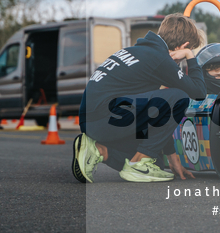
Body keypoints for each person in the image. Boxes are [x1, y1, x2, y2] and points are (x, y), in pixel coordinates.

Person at [74, 13, 207, 183]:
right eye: (188, 48)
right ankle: (138, 164)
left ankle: (99, 150)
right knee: (179, 97)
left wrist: (172, 158)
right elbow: (199, 92)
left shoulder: (135, 51)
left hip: (93, 121)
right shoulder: (159, 58)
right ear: (184, 45)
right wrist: (190, 55)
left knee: (157, 163)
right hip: (107, 117)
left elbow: (160, 117)